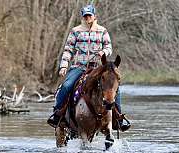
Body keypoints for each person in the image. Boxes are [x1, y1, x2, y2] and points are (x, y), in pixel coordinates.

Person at [48, 4, 130, 132]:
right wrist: (64, 66)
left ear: (94, 16)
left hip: (98, 68)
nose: (87, 18)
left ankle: (118, 118)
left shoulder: (102, 31)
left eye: (89, 15)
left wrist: (104, 52)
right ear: (82, 17)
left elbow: (108, 47)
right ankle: (58, 114)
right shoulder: (75, 31)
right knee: (66, 86)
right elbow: (68, 50)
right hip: (79, 67)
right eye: (85, 16)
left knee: (114, 88)